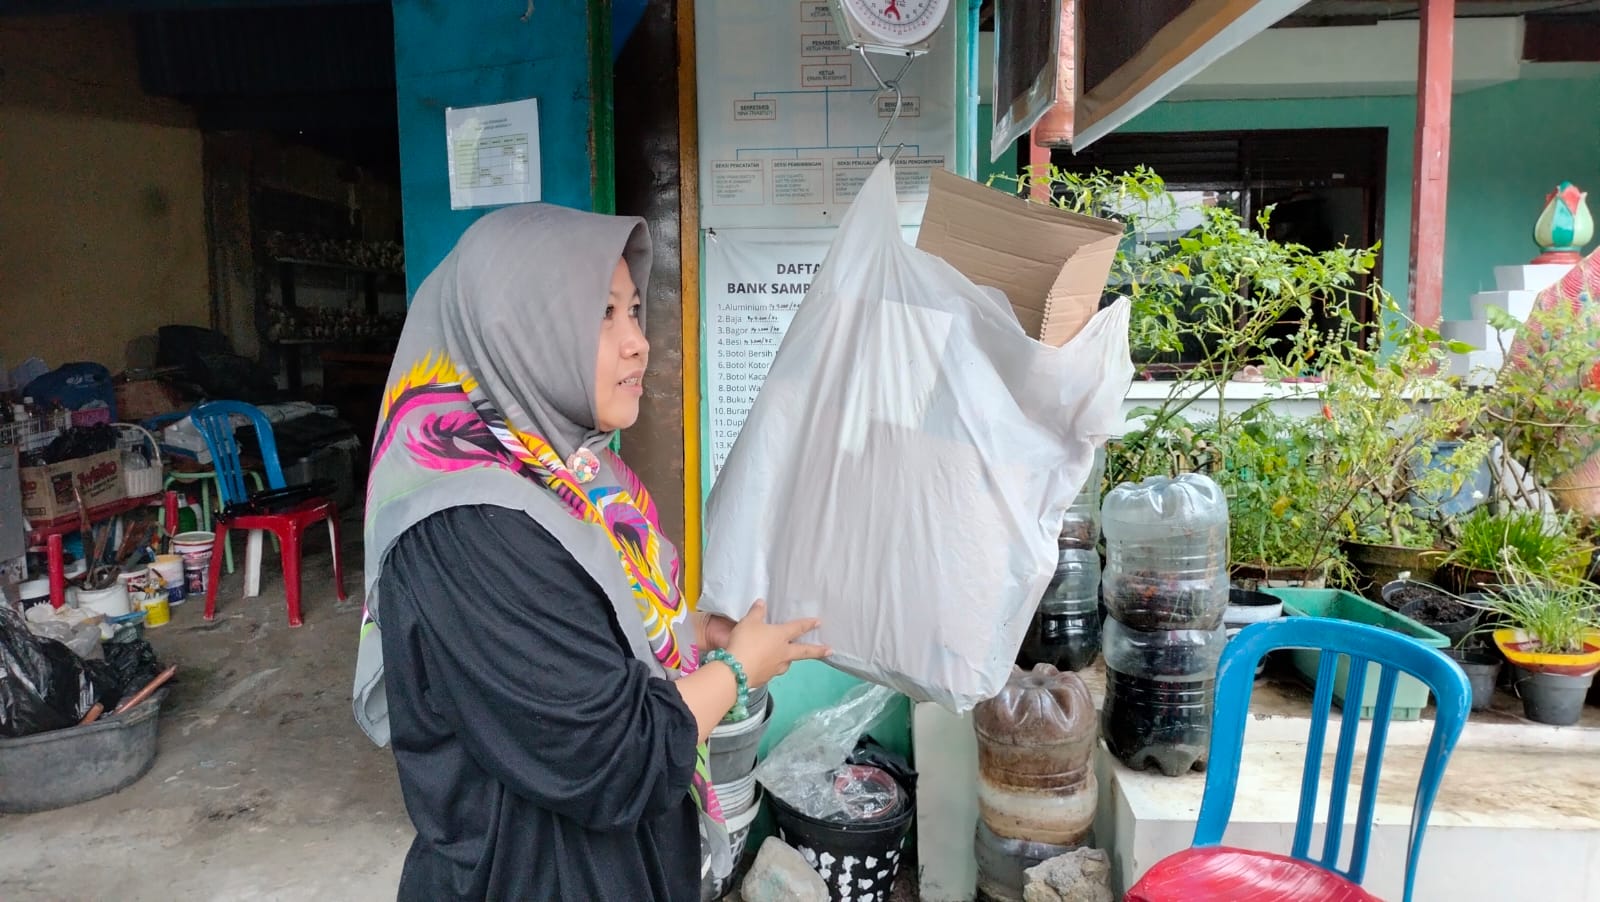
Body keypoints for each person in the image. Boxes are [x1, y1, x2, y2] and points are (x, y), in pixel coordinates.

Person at [352, 204, 828, 901]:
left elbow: (581, 634)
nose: (638, 343)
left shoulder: (564, 475)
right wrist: (735, 669)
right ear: (516, 331)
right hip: (532, 877)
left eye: (633, 311)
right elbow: (613, 753)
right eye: (603, 316)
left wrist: (690, 634)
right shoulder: (470, 529)